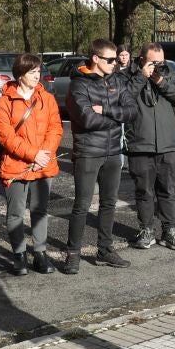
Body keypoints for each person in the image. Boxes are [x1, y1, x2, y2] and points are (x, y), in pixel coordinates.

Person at [63, 39, 137, 273]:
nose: (115, 63)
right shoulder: (79, 84)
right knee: (82, 205)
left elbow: (132, 111)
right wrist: (117, 117)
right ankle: (72, 254)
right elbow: (86, 119)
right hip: (88, 152)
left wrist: (105, 110)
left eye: (116, 59)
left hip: (113, 151)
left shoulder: (117, 80)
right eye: (110, 60)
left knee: (109, 203)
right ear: (96, 58)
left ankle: (105, 249)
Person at [0, 53, 63, 276]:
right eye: (32, 72)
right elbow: (5, 137)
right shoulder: (4, 101)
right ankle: (19, 254)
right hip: (16, 165)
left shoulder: (47, 98)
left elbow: (56, 128)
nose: (37, 75)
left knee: (40, 210)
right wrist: (33, 154)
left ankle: (40, 253)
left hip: (43, 164)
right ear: (20, 74)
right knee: (15, 212)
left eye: (38, 71)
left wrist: (45, 154)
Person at [125, 43, 175, 251]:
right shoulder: (129, 75)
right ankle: (146, 229)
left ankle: (170, 229)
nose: (158, 65)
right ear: (142, 60)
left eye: (161, 61)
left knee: (168, 190)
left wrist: (159, 80)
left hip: (167, 144)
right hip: (140, 144)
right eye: (153, 62)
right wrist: (142, 77)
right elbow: (123, 99)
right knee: (144, 191)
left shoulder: (171, 74)